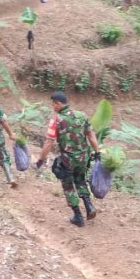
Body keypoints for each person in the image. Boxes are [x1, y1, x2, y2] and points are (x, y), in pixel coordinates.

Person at [35, 91, 101, 227]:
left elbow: (49, 142)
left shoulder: (56, 119)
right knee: (81, 180)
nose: (53, 107)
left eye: (53, 104)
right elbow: (91, 135)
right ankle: (89, 206)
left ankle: (78, 216)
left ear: (58, 103)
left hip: (68, 160)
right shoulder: (82, 116)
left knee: (68, 186)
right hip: (84, 157)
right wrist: (97, 151)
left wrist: (41, 159)